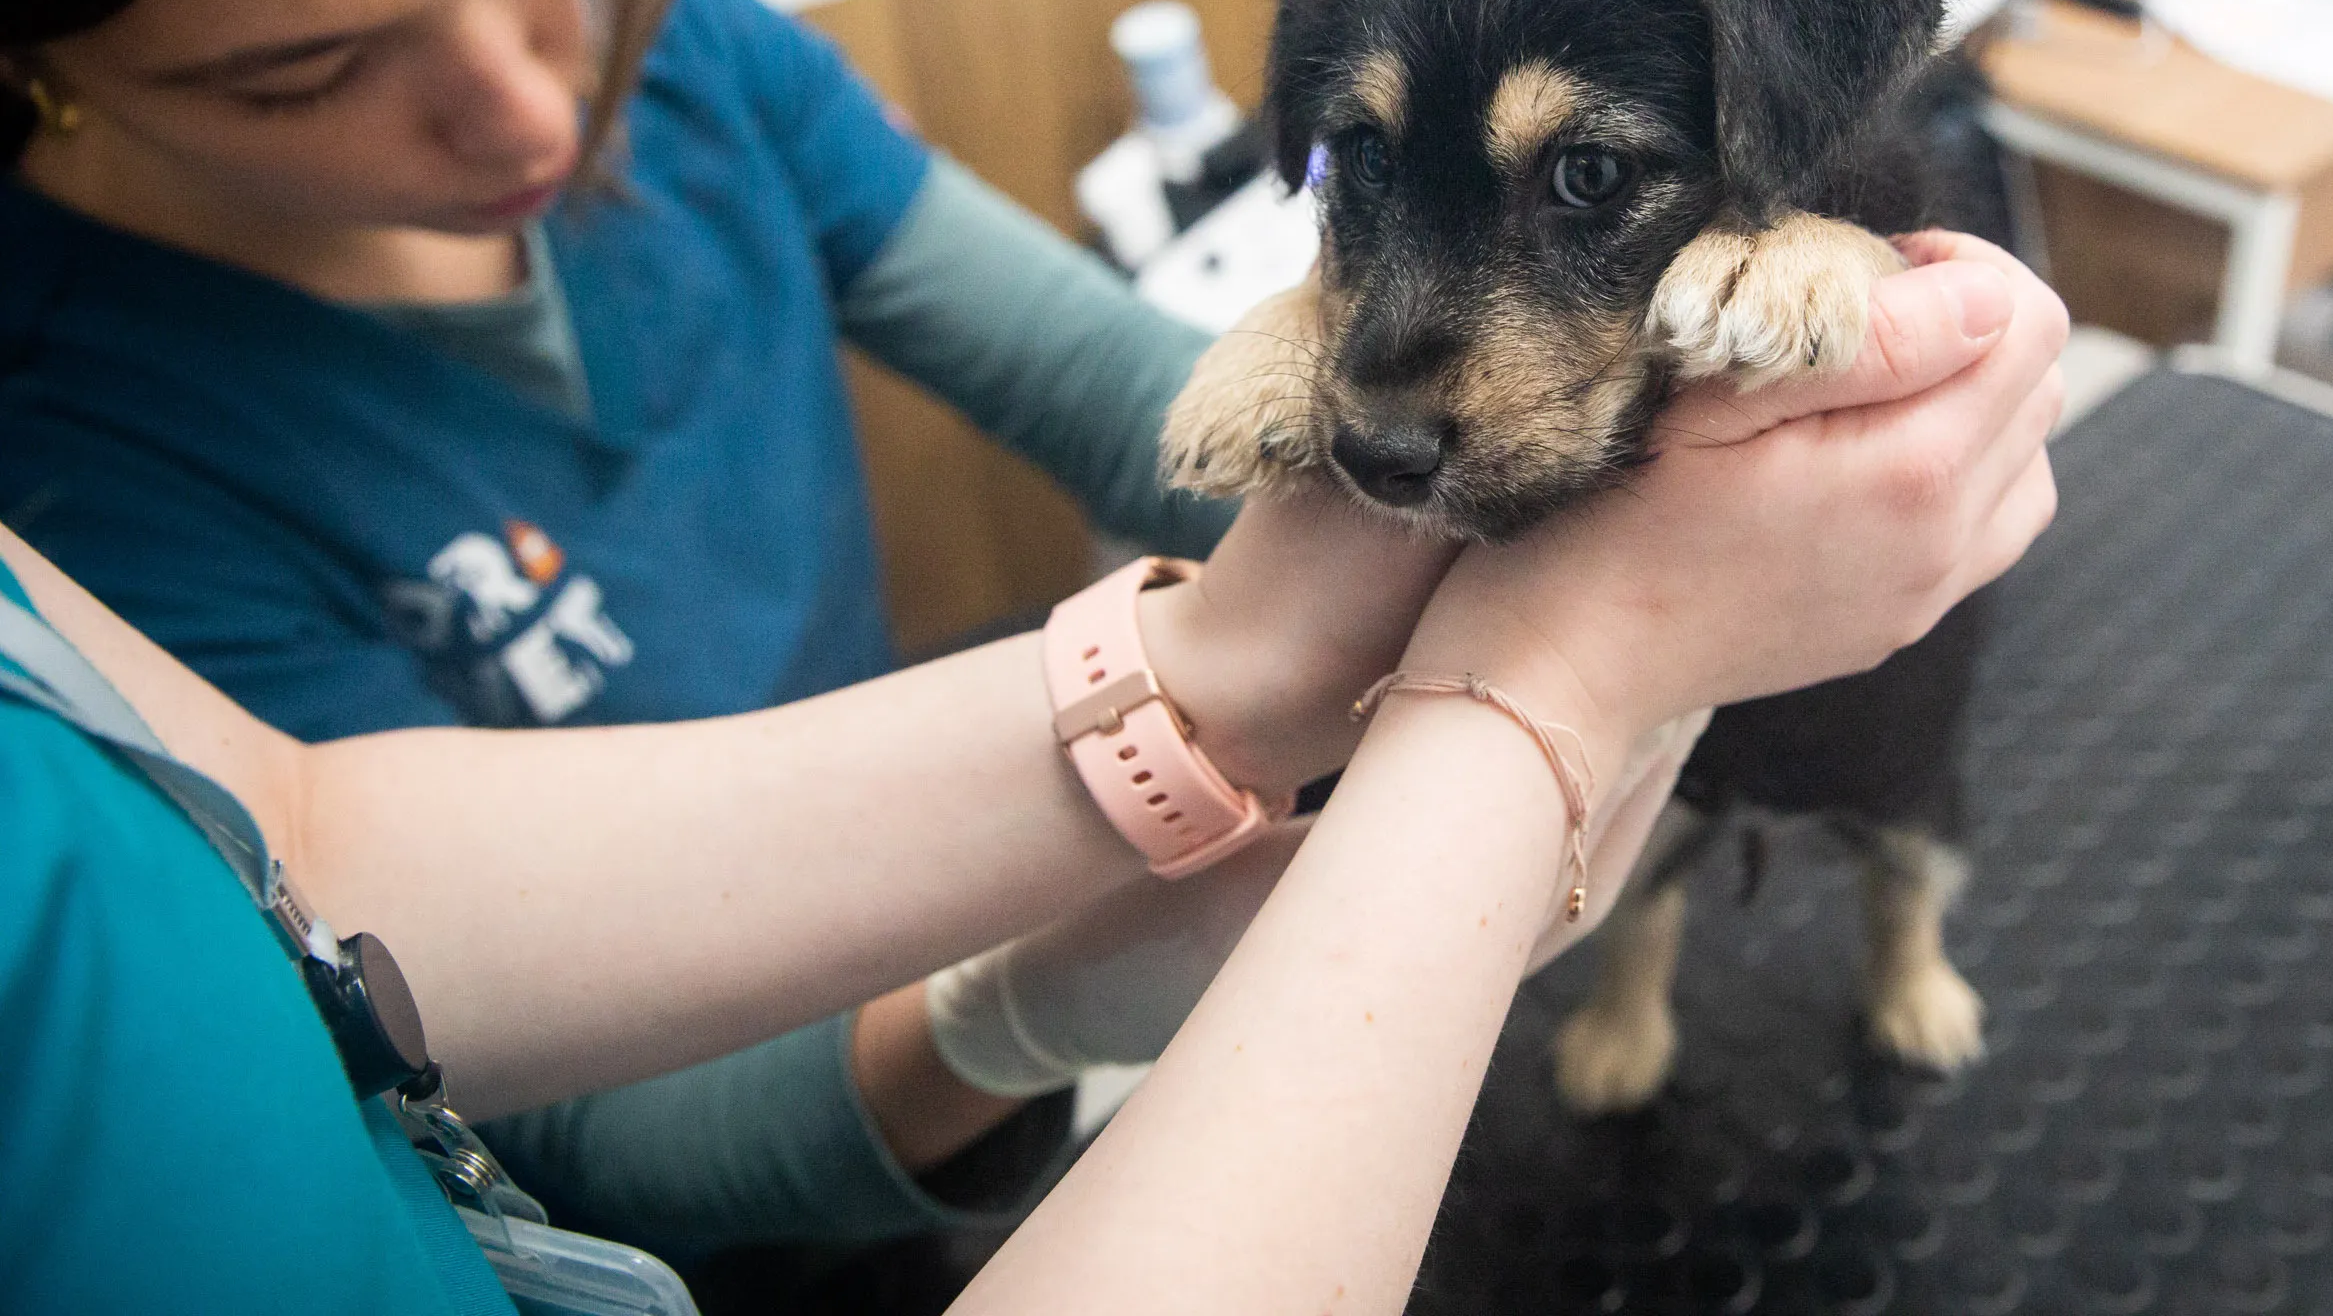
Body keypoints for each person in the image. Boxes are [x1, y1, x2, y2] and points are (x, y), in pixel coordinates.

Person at [0, 0, 1247, 1260]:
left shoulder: (667, 39)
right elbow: (548, 1113)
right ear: (43, 63)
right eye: (306, 73)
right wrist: (1018, 1007)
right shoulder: (85, 474)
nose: (533, 101)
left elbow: (1118, 390)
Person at [0, 228, 2070, 1314]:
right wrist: (1551, 689)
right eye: (305, 66)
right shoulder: (97, 431)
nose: (521, 101)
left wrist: (1219, 672)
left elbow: (297, 864)